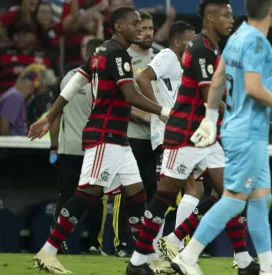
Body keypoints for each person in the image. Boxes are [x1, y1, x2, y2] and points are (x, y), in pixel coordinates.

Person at [29, 7, 173, 275]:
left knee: (137, 194)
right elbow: (130, 96)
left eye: (142, 26)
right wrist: (166, 112)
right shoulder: (118, 55)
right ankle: (47, 252)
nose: (140, 30)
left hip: (118, 139)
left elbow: (74, 83)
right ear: (118, 27)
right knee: (88, 193)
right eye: (134, 24)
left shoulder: (100, 52)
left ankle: (147, 257)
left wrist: (49, 117)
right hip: (104, 136)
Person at [172, 0, 272, 274]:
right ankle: (187, 254)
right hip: (247, 132)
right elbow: (253, 87)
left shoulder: (236, 38)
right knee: (233, 199)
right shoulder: (258, 44)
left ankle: (268, 265)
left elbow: (219, 77)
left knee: (260, 198)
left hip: (241, 129)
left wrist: (211, 119)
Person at [126, 1, 256, 274]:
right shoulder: (198, 48)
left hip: (205, 137)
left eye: (231, 14)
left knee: (229, 194)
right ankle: (138, 260)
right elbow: (210, 96)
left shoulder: (212, 48)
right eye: (225, 15)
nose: (230, 20)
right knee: (163, 196)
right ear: (209, 17)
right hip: (184, 136)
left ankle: (244, 262)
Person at [136, 20, 201, 253]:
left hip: (181, 132)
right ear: (176, 42)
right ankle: (171, 245)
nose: (194, 44)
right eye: (190, 40)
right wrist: (160, 111)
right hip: (170, 133)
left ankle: (157, 246)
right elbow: (143, 77)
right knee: (190, 190)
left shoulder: (185, 63)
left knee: (168, 192)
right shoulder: (167, 56)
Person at [49, 38, 106, 255]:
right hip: (95, 148)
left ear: (86, 53)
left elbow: (56, 115)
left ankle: (58, 241)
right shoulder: (105, 81)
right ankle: (92, 244)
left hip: (68, 148)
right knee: (95, 198)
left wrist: (53, 147)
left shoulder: (68, 78)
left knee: (67, 195)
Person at [109, 11, 157, 257]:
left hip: (154, 139)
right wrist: (150, 115)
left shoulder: (160, 58)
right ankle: (121, 243)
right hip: (130, 135)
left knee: (148, 190)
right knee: (123, 192)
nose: (146, 32)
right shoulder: (122, 57)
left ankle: (144, 244)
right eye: (142, 27)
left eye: (150, 28)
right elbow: (124, 98)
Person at [0, 64, 55, 136]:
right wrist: (5, 145)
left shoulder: (18, 97)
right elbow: (4, 124)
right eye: (40, 80)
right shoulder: (15, 96)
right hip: (12, 145)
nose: (41, 84)